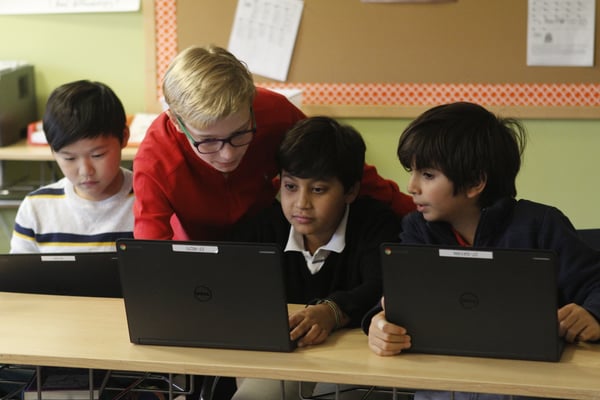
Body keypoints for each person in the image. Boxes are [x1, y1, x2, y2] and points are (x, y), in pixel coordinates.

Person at [364, 102, 600, 400]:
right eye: (411, 171)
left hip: (529, 387)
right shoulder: (417, 230)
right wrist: (378, 322)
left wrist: (592, 313)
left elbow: (595, 283)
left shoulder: (540, 226)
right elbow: (396, 298)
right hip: (443, 386)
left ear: (475, 181)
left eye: (427, 175)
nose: (411, 186)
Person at [132, 44, 414, 242]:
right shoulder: (155, 159)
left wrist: (422, 216)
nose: (228, 154)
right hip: (197, 248)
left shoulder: (275, 112)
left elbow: (343, 168)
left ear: (251, 104)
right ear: (177, 122)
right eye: (207, 141)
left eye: (241, 133)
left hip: (266, 241)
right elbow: (150, 246)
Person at [231, 117, 402, 400]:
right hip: (283, 362)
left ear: (350, 190)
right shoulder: (262, 228)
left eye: (318, 189)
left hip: (359, 361)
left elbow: (382, 286)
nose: (301, 203)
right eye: (290, 186)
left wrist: (332, 310)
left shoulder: (376, 225)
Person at [10, 80, 133, 253]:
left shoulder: (149, 199)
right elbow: (20, 277)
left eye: (98, 155)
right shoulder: (36, 208)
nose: (85, 171)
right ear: (52, 149)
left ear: (124, 137)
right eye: (69, 158)